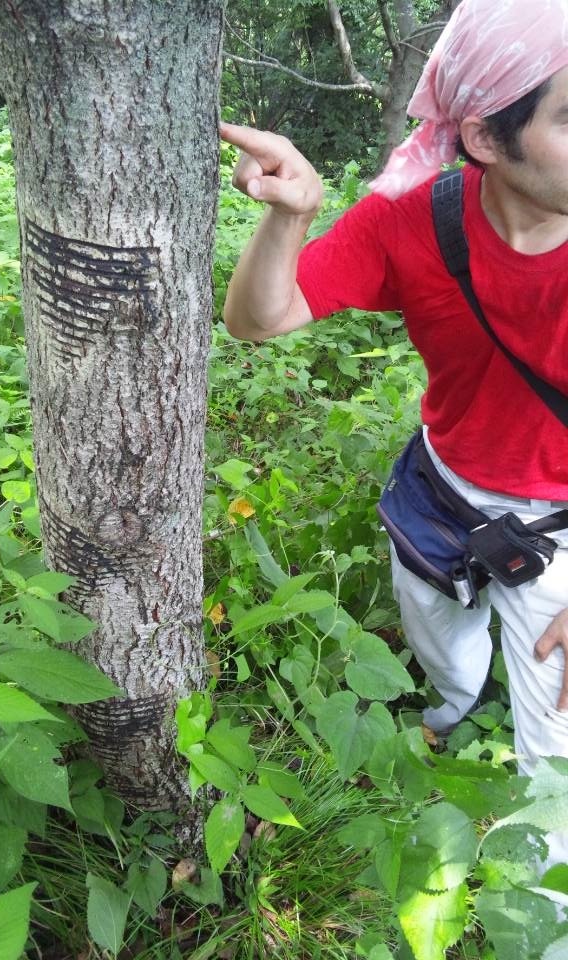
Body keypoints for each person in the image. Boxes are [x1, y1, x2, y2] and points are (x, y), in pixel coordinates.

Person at [221, 0, 568, 868]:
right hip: (441, 493)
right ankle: (455, 717)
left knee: (558, 779)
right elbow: (259, 320)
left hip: (562, 530)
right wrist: (290, 216)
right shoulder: (415, 219)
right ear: (486, 138)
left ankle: (542, 917)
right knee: (444, 658)